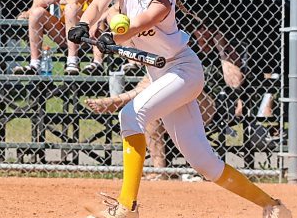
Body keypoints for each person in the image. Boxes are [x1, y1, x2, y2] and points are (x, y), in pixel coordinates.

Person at [68, 0, 291, 218]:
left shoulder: (162, 2)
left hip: (183, 72)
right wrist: (83, 23)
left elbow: (132, 29)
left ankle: (126, 210)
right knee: (204, 163)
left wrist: (111, 38)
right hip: (161, 75)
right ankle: (272, 205)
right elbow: (97, 3)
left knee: (131, 116)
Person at [85, 76, 216, 180]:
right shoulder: (156, 63)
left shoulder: (184, 55)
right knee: (150, 113)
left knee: (162, 80)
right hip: (169, 109)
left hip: (201, 106)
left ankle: (118, 100)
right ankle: (159, 171)